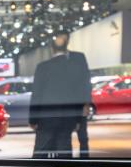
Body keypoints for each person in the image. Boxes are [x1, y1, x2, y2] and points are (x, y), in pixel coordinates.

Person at [29, 30, 92, 159]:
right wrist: (77, 117)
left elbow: (37, 94)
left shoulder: (43, 67)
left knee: (41, 154)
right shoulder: (73, 67)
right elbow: (77, 91)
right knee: (64, 153)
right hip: (66, 117)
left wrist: (33, 119)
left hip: (46, 118)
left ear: (51, 48)